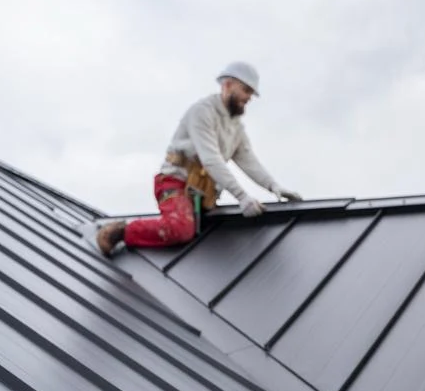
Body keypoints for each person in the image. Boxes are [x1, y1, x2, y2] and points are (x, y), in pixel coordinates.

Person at [96, 60, 301, 257]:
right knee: (180, 228)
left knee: (219, 230)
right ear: (228, 85)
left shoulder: (235, 127)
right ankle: (119, 232)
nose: (249, 98)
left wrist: (274, 187)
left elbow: (248, 160)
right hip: (175, 184)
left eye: (251, 93)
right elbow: (211, 159)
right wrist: (241, 196)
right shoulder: (202, 112)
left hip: (202, 195)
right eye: (246, 91)